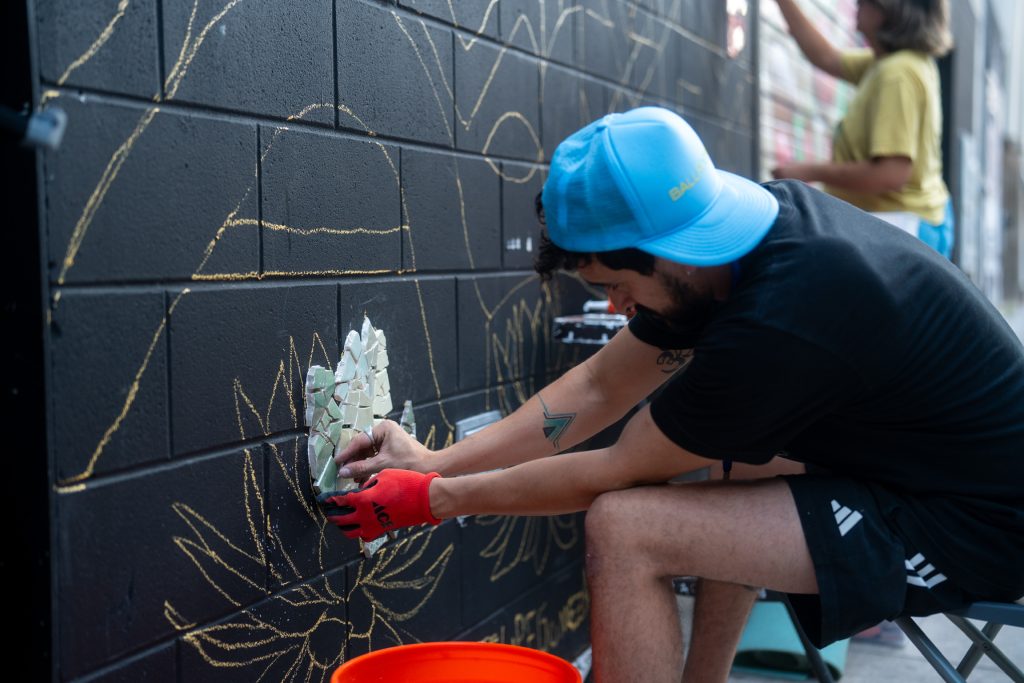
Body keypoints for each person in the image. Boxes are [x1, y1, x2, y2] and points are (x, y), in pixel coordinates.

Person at [318, 107, 1024, 683]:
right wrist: (435, 458)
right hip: (930, 472)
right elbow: (598, 384)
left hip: (978, 523)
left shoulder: (780, 319)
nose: (619, 307)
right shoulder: (733, 257)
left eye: (615, 286)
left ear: (669, 248)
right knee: (741, 458)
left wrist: (432, 501)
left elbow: (616, 469)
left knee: (627, 528)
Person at [770, 0, 955, 258]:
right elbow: (825, 57)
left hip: (903, 231)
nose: (857, 3)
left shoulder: (897, 74)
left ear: (891, 11)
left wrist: (808, 171)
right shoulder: (891, 64)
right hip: (911, 225)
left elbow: (891, 173)